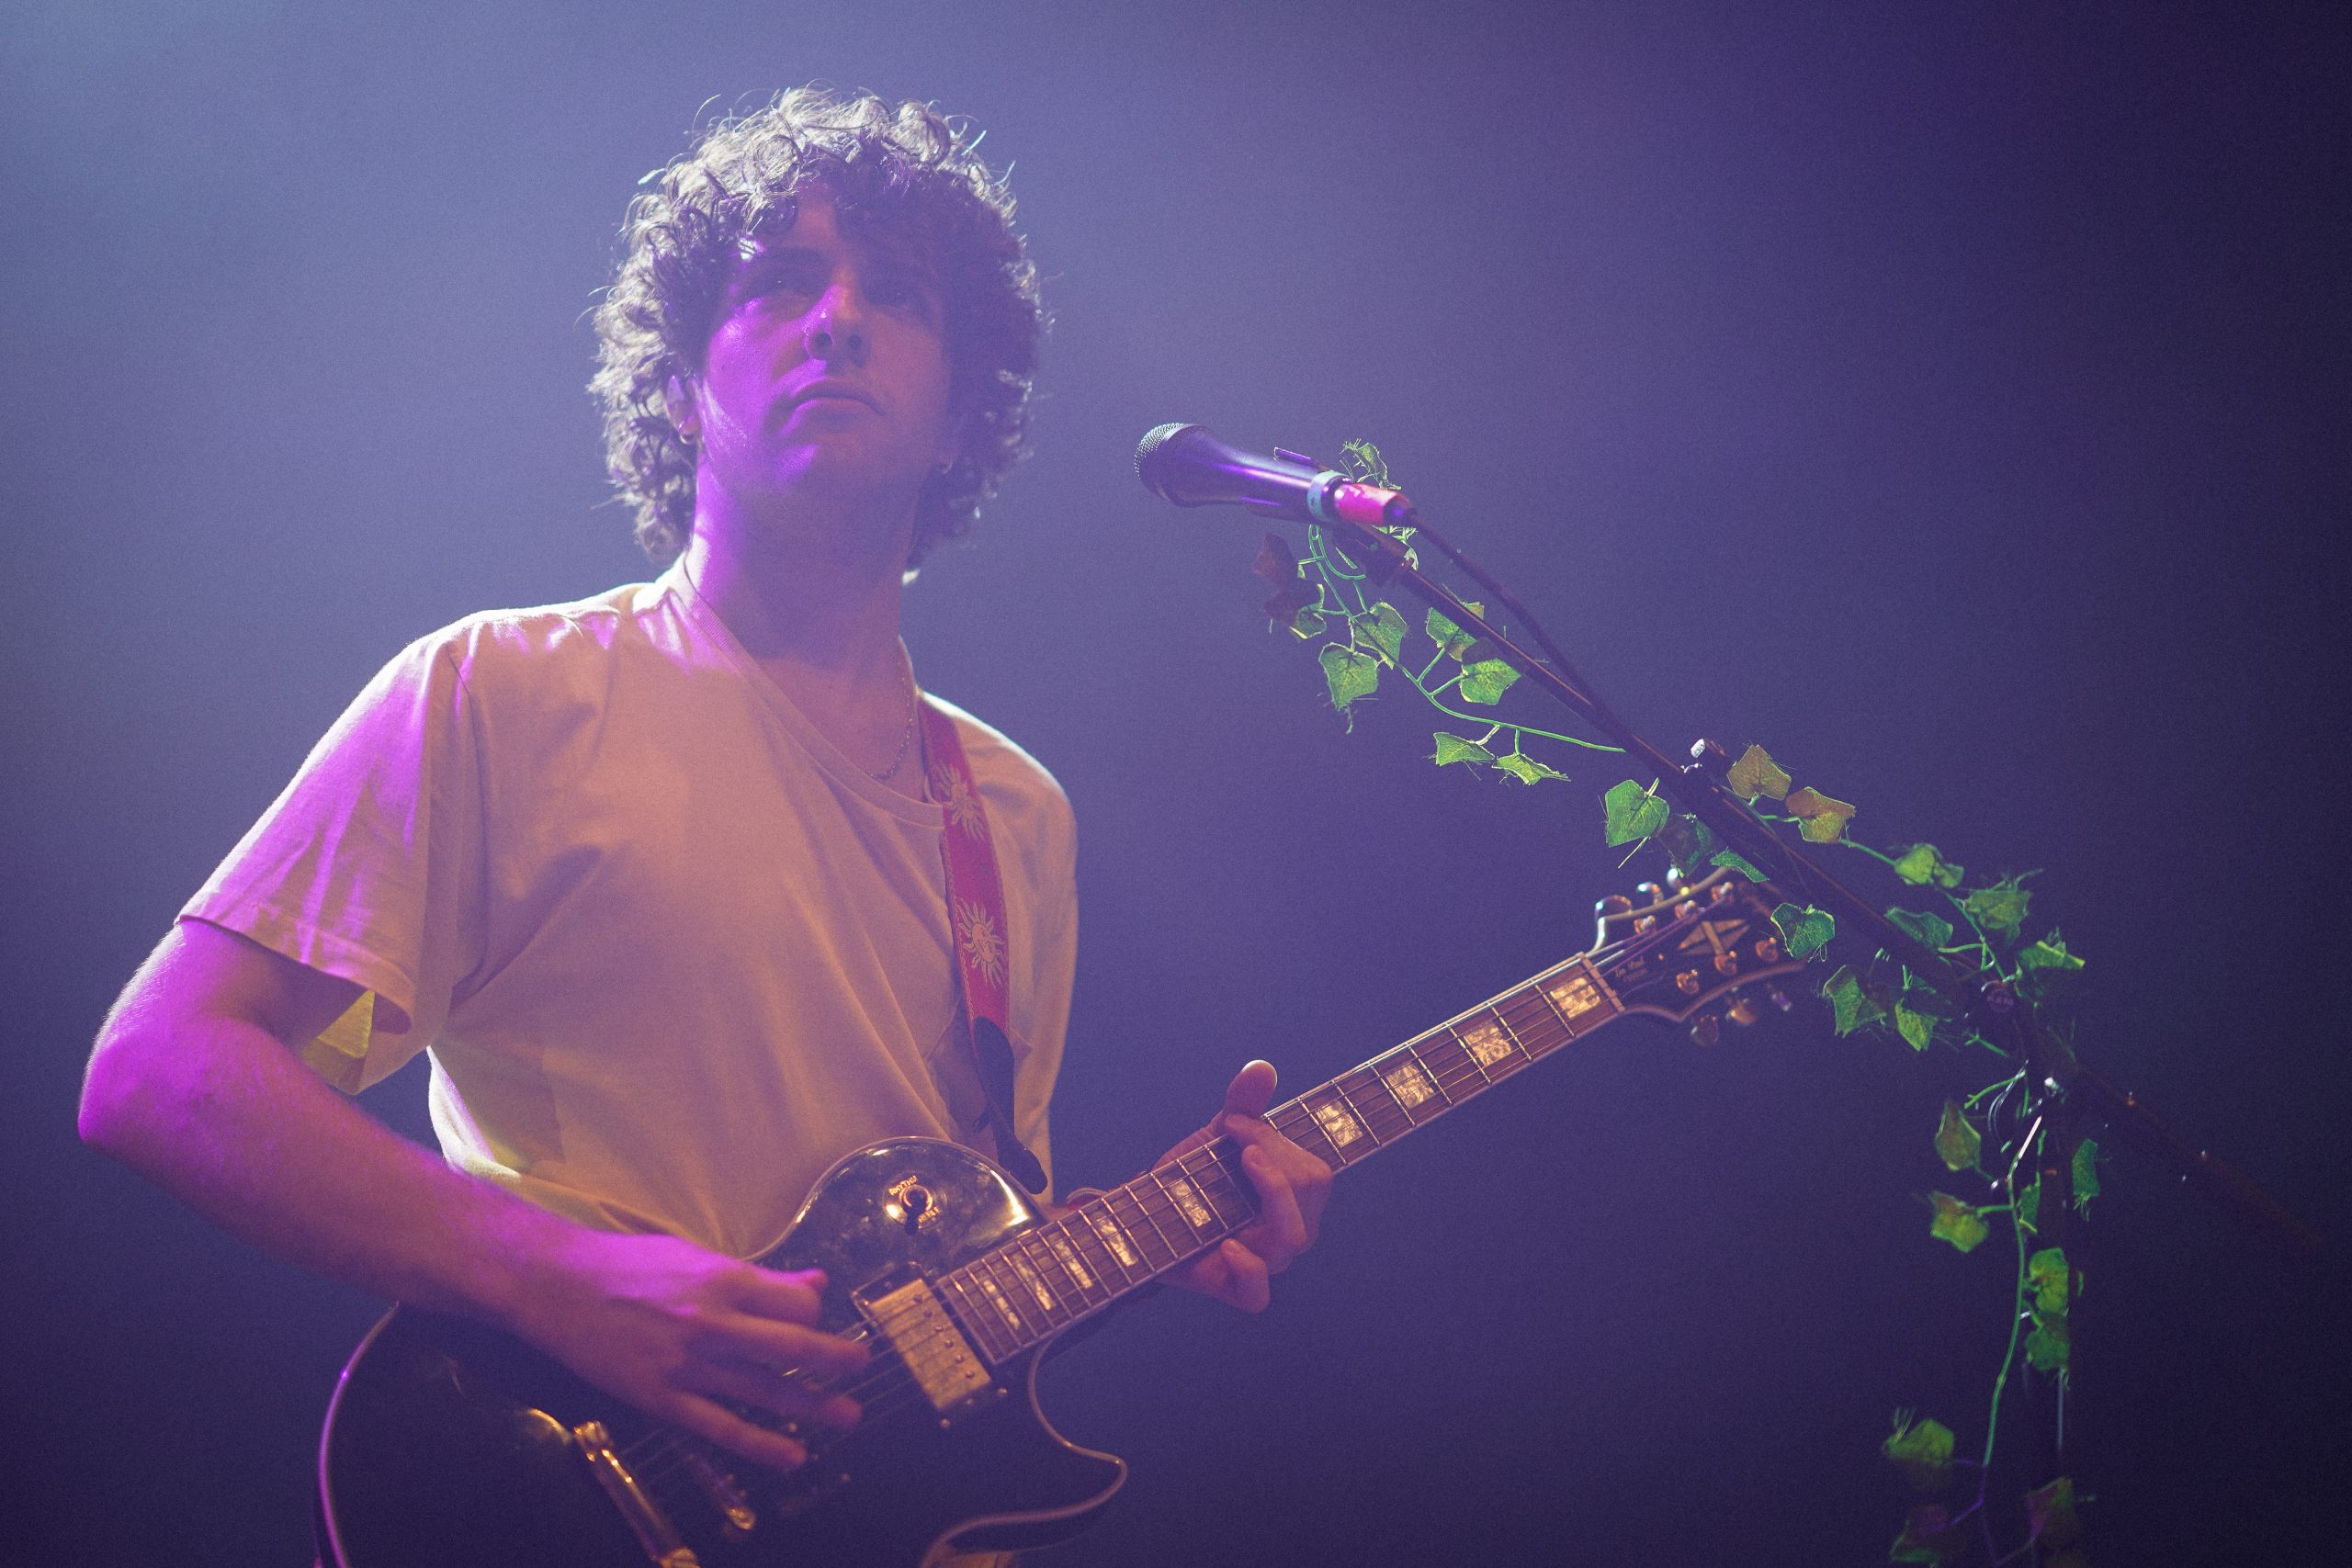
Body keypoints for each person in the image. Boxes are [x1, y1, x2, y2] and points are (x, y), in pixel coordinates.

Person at [76, 86, 1329, 1501]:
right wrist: (557, 1277)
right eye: (779, 283)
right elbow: (160, 1067)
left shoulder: (1015, 813)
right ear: (680, 386)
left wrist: (1152, 1231)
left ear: (959, 414)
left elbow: (953, 1272)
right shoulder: (502, 691)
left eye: (898, 293)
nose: (838, 319)